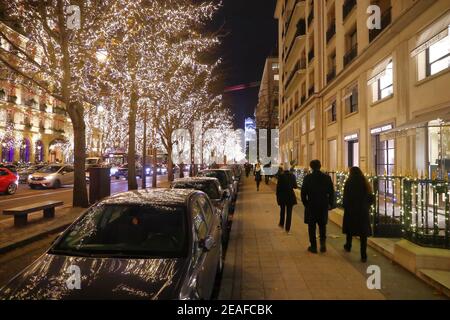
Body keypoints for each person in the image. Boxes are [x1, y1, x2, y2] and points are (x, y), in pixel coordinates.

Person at [301, 160, 335, 254]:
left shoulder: (308, 178)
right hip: (323, 204)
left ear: (311, 167)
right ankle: (323, 244)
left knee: (311, 227)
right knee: (322, 225)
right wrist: (330, 204)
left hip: (311, 204)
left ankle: (313, 246)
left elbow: (303, 192)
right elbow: (331, 192)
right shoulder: (327, 178)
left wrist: (306, 203)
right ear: (320, 166)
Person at [343, 167, 375, 263]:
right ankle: (363, 255)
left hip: (351, 210)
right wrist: (366, 206)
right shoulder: (365, 183)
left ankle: (348, 246)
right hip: (362, 211)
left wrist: (346, 206)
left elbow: (346, 196)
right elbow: (371, 197)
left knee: (349, 229)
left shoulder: (349, 182)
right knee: (363, 234)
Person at [276, 163, 298, 234]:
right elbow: (295, 186)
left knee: (282, 211)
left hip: (282, 196)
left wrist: (277, 196)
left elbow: (278, 188)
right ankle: (287, 229)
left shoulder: (280, 176)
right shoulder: (292, 176)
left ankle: (281, 224)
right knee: (289, 213)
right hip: (290, 196)